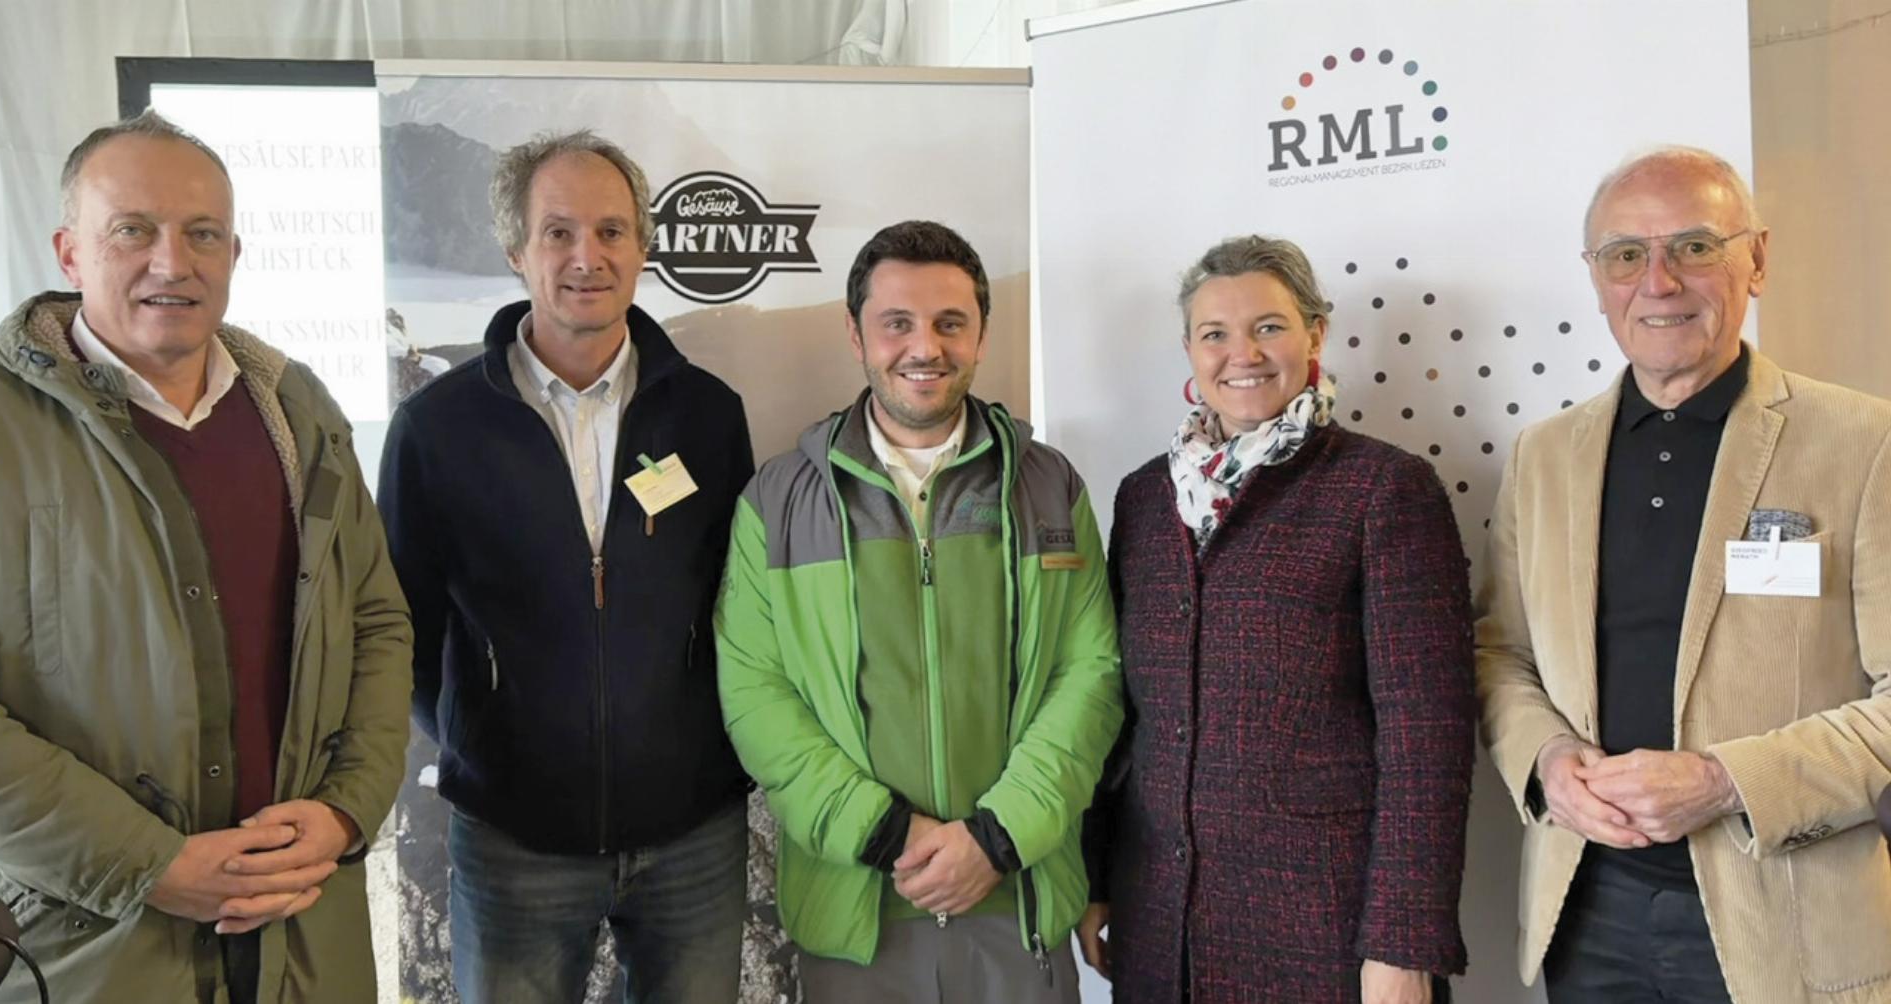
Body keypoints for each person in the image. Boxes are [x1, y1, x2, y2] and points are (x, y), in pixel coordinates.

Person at [0, 110, 413, 1004]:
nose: (172, 262)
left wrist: (343, 811)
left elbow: (374, 619)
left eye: (201, 232)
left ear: (235, 252)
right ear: (68, 252)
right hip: (89, 954)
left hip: (305, 937)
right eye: (132, 230)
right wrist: (150, 866)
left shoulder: (298, 410)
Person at [1476, 146, 1891, 1003]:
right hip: (1586, 908)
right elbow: (1500, 655)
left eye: (1696, 246)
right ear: (1596, 278)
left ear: (1758, 260)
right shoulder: (1544, 457)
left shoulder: (1865, 444)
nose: (1658, 282)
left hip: (1787, 913)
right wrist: (1550, 761)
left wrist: (1723, 781)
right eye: (1626, 254)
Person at [377, 129, 755, 1004]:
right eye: (559, 233)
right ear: (516, 251)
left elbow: (737, 597)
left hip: (692, 832)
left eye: (612, 231)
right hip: (514, 837)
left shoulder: (706, 414)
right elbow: (403, 620)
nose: (588, 256)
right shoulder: (436, 429)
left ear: (642, 247)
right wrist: (480, 736)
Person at [714, 220, 1123, 1004]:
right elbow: (756, 694)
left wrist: (997, 839)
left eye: (949, 323)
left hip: (1018, 899)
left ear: (980, 334)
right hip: (860, 909)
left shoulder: (1048, 487)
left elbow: (1091, 675)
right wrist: (889, 836)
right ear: (856, 333)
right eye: (896, 323)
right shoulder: (778, 501)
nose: (924, 347)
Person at [1078, 235, 1475, 1004]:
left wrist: (1403, 945)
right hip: (1161, 918)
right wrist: (1097, 876)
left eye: (1268, 326)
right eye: (1214, 334)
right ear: (1190, 351)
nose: (1242, 354)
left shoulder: (1383, 490)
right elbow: (1123, 716)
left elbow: (1427, 741)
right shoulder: (1144, 499)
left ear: (1315, 334)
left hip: (1323, 929)